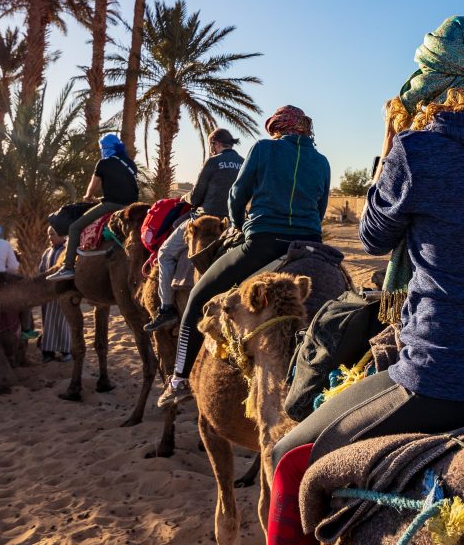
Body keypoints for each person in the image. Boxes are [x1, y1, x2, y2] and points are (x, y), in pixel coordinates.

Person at [264, 15, 464, 545]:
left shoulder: (417, 150)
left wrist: (389, 148)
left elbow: (375, 237)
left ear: (433, 81)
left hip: (447, 371)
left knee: (290, 458)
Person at [156, 106, 330, 408]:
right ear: (304, 128)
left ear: (276, 129)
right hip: (310, 244)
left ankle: (179, 380)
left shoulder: (263, 149)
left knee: (197, 299)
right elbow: (321, 206)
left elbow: (237, 194)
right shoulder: (323, 161)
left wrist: (237, 224)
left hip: (263, 243)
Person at [144, 128, 245, 333]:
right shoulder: (244, 162)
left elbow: (197, 196)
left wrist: (184, 198)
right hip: (235, 223)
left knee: (165, 253)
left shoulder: (213, 162)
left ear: (214, 144)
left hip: (206, 219)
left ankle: (166, 309)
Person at [48, 134, 139, 281]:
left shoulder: (103, 163)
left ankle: (68, 267)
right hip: (132, 205)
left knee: (74, 228)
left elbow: (92, 187)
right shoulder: (130, 163)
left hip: (113, 205)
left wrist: (88, 197)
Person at [38, 227, 73, 361]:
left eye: (52, 234)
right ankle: (48, 352)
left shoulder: (67, 251)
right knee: (47, 322)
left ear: (63, 235)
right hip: (47, 294)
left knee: (63, 321)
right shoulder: (47, 252)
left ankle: (66, 351)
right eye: (49, 234)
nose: (50, 237)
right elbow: (41, 271)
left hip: (62, 291)